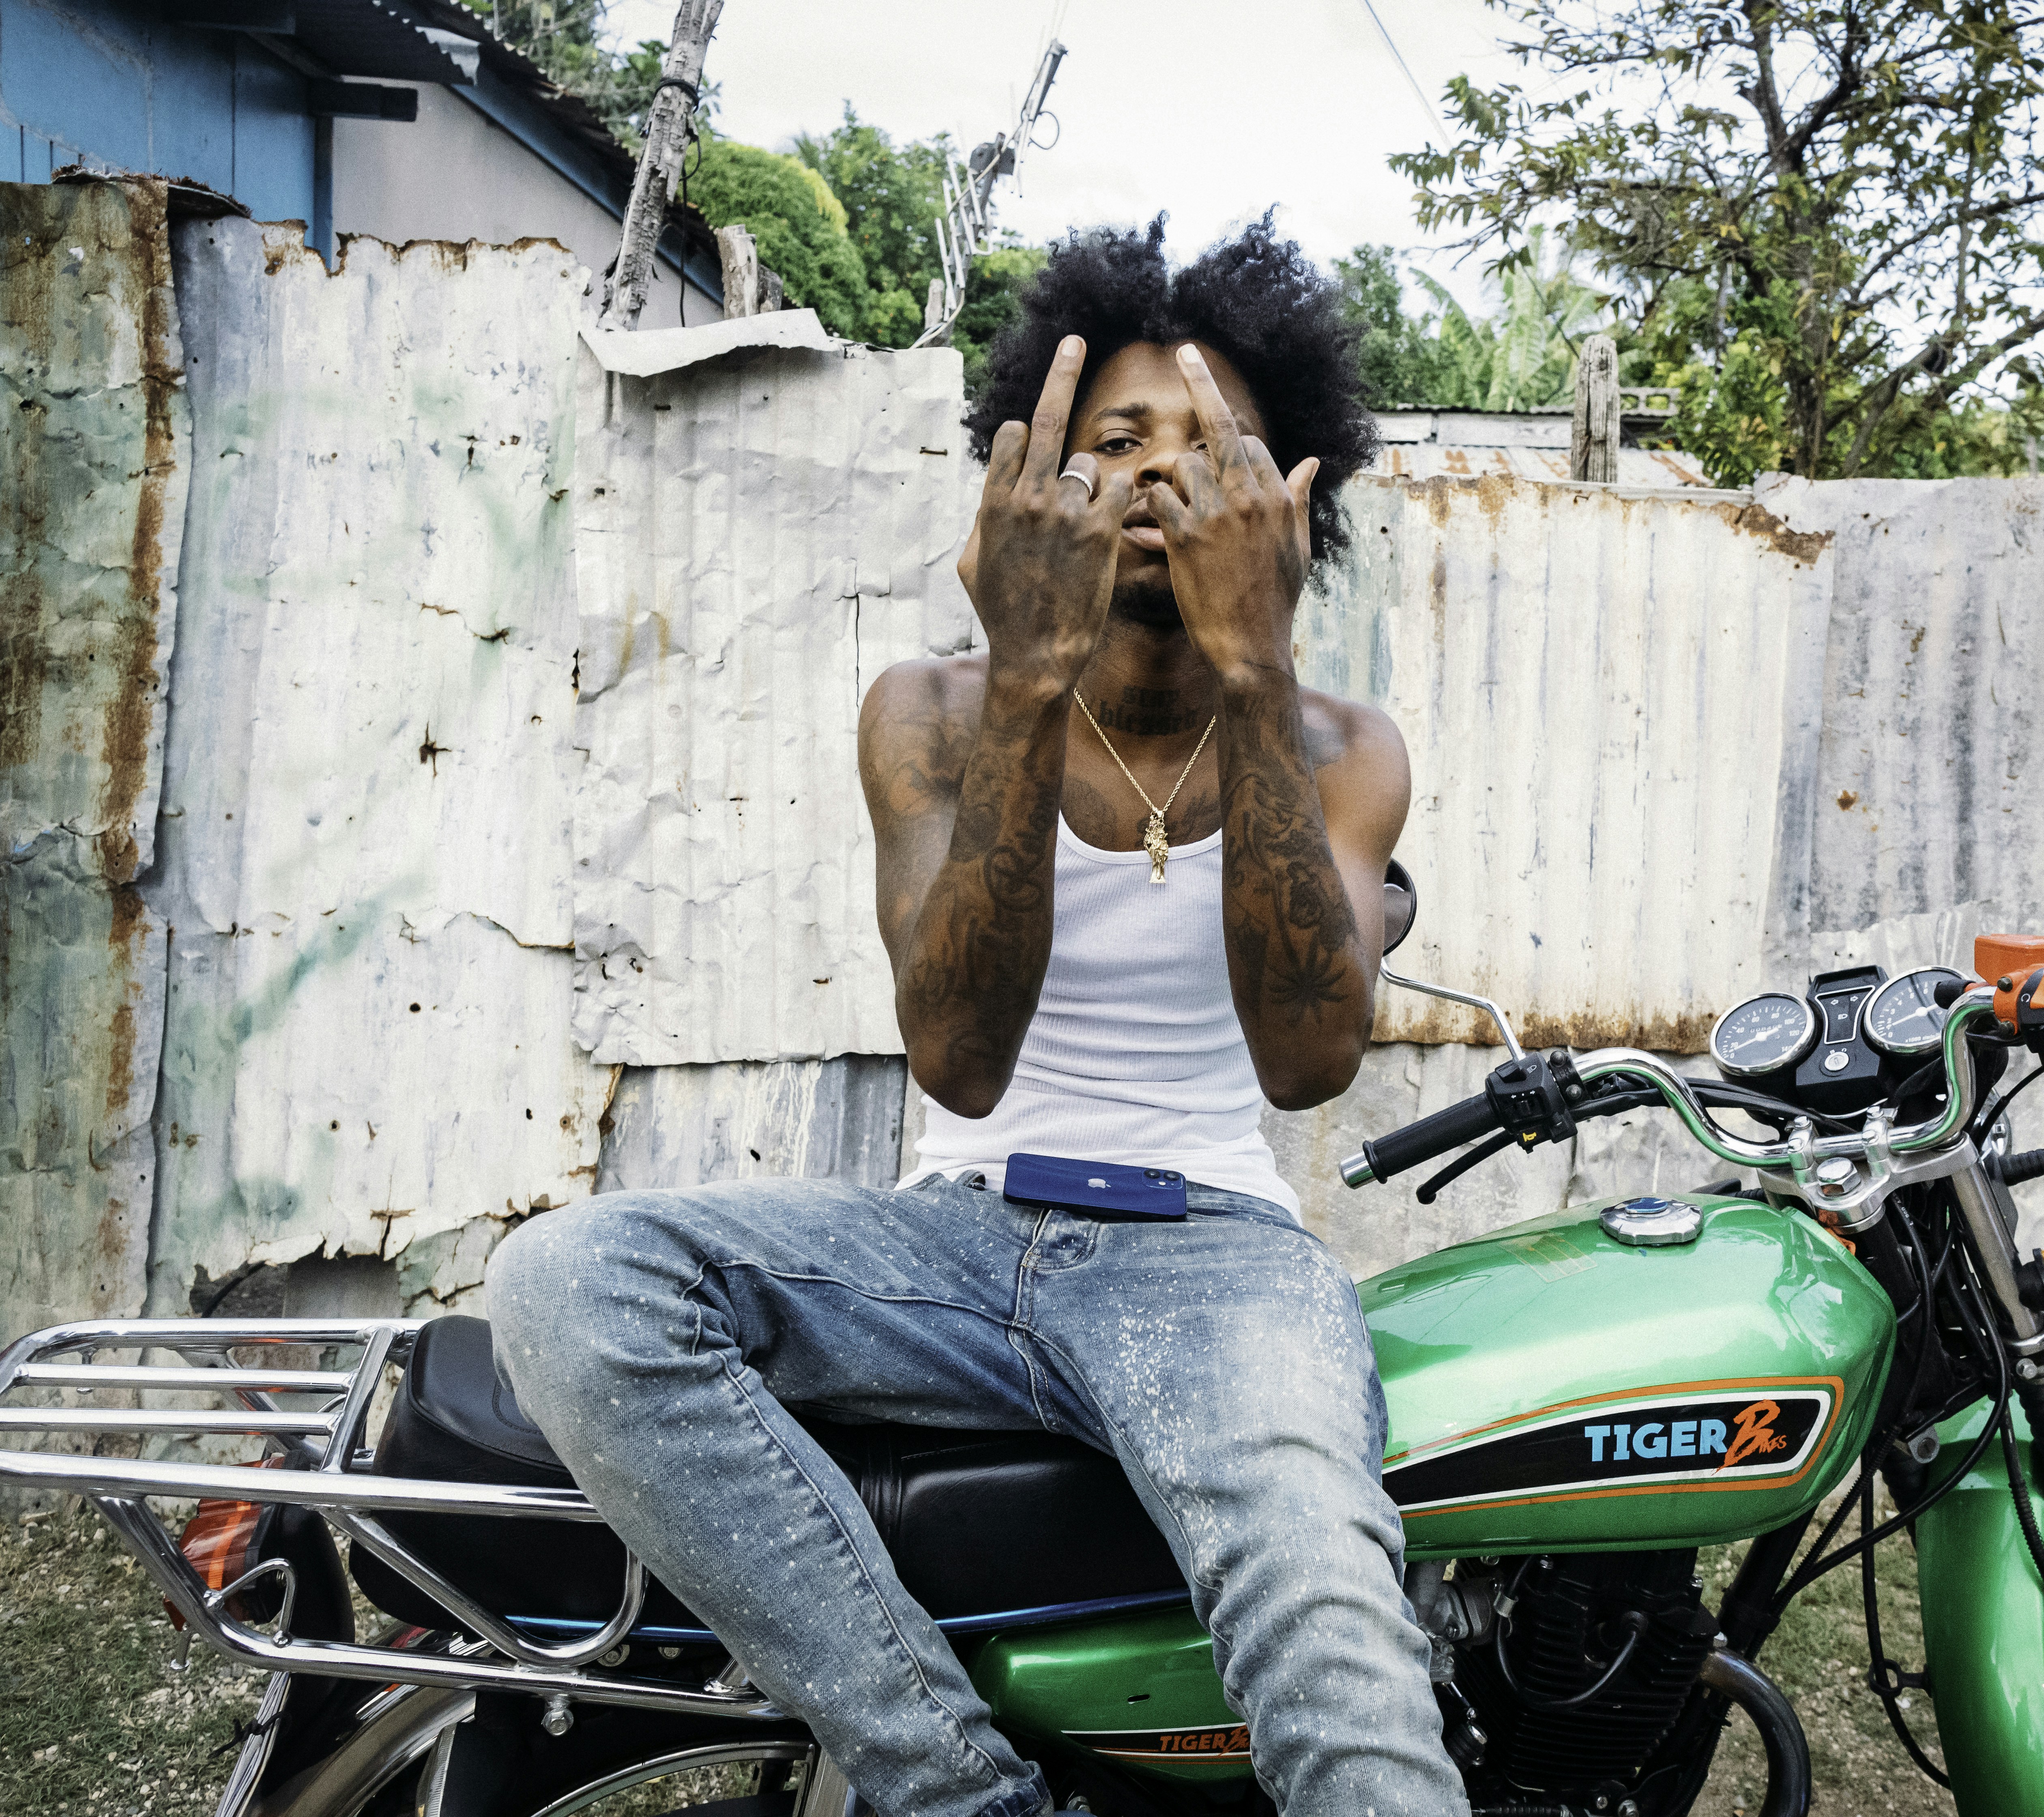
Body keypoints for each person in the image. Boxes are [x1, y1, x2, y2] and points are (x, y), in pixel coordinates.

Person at [485, 216, 1462, 1817]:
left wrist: (1258, 664)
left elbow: (1307, 1054)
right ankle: (958, 1792)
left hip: (1217, 1254)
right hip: (951, 1244)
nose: (1158, 471)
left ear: (1291, 500)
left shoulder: (1346, 746)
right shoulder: (932, 712)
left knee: (1336, 1631)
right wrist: (1028, 674)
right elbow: (959, 1052)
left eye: (1209, 440)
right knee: (568, 1279)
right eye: (1113, 439)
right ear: (1032, 485)